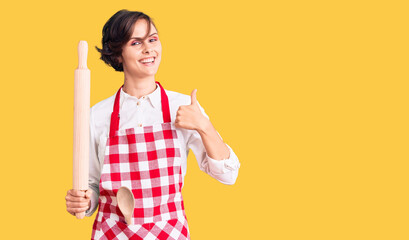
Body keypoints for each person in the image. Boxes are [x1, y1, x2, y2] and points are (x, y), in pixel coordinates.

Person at [65, 9, 241, 240]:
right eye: (136, 42)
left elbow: (228, 176)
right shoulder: (97, 115)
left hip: (169, 233)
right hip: (112, 233)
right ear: (117, 55)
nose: (149, 49)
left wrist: (203, 126)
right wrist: (83, 202)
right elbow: (91, 184)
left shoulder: (184, 107)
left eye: (153, 39)